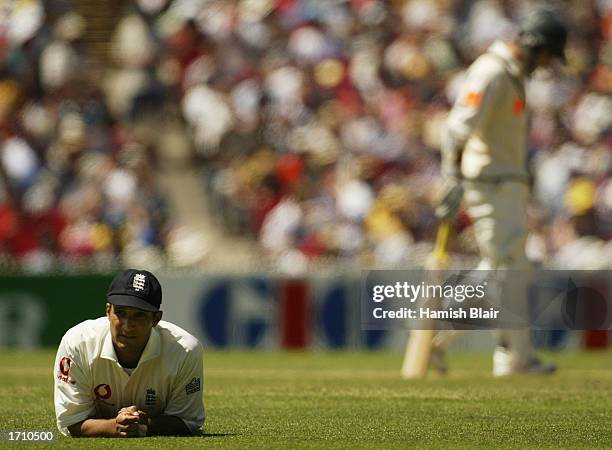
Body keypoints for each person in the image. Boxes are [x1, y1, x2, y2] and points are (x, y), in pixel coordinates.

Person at [434, 9, 567, 376]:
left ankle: (508, 356)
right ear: (533, 45)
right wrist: (451, 176)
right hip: (488, 183)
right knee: (504, 268)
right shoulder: (491, 71)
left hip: (507, 183)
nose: (547, 64)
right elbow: (457, 127)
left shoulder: (511, 74)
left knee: (508, 268)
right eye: (547, 55)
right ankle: (462, 342)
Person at [54, 269, 205, 437]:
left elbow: (187, 421)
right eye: (121, 312)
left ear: (156, 318)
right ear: (108, 311)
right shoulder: (77, 343)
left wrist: (142, 422)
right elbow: (72, 422)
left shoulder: (184, 350)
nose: (127, 325)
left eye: (139, 315)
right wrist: (114, 426)